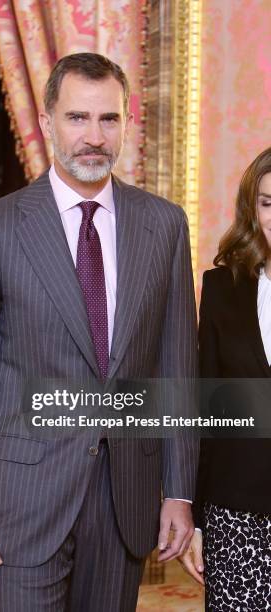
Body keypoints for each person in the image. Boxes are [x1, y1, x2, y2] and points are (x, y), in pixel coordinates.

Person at [0, 53, 198, 611]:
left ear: (127, 122)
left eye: (108, 119)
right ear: (48, 123)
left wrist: (178, 491)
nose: (94, 137)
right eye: (78, 118)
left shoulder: (164, 224)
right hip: (20, 502)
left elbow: (176, 369)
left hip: (125, 499)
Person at [180, 147, 271, 610]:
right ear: (251, 208)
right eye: (268, 202)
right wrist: (196, 520)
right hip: (237, 511)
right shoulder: (220, 289)